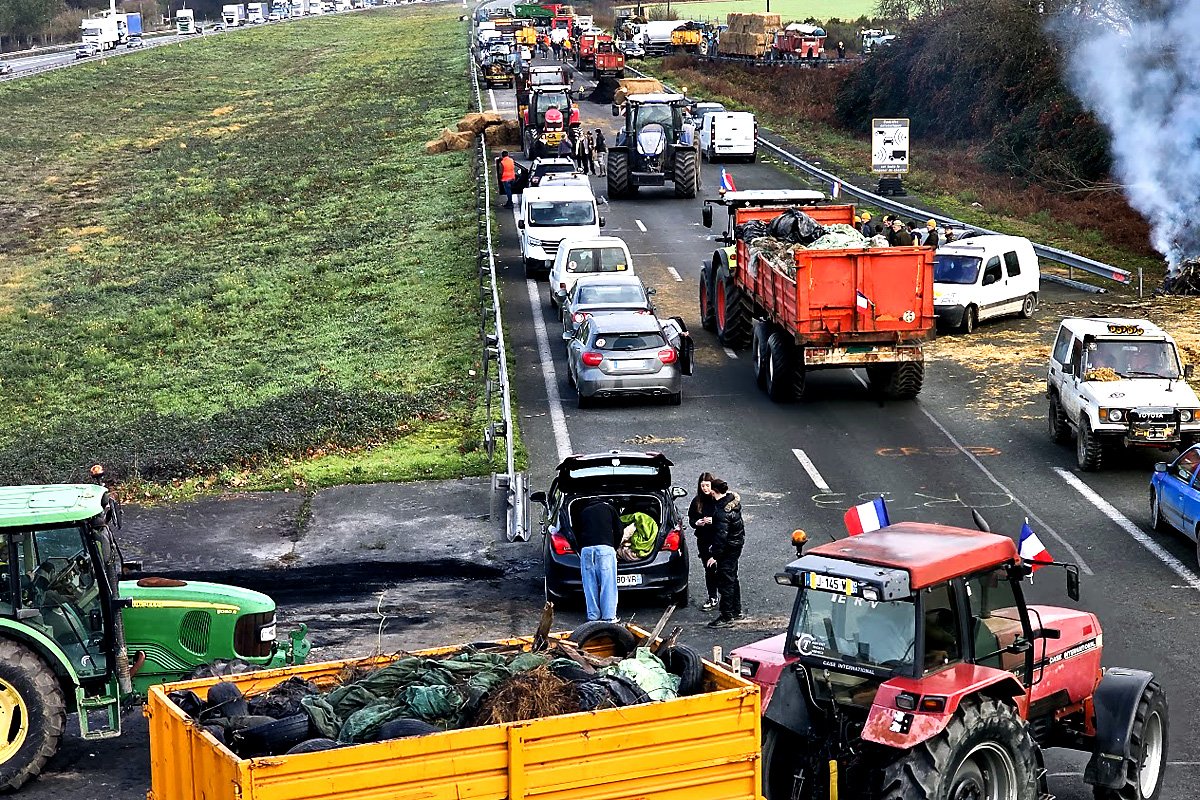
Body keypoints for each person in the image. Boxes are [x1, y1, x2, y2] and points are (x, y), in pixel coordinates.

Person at [576, 499, 623, 621]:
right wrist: (614, 546)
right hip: (605, 549)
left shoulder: (583, 512)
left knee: (589, 584)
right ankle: (608, 617)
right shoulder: (609, 508)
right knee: (607, 583)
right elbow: (619, 529)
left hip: (586, 550)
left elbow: (575, 532)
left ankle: (593, 616)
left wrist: (581, 548)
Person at [706, 478, 745, 628]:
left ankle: (727, 615)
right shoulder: (732, 504)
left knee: (726, 581)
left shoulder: (722, 512)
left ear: (714, 491)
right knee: (733, 578)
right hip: (735, 547)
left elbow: (721, 537)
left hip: (727, 550)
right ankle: (736, 610)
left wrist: (714, 555)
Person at [687, 472, 719, 612]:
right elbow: (691, 519)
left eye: (707, 485)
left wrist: (714, 521)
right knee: (709, 569)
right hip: (704, 540)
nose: (705, 488)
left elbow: (725, 519)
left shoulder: (717, 499)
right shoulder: (697, 501)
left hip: (718, 538)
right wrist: (697, 522)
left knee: (722, 569)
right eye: (703, 486)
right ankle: (712, 596)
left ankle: (726, 598)